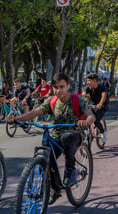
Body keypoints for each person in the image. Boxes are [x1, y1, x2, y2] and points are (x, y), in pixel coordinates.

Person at [6, 73, 95, 204]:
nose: (58, 90)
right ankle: (55, 189)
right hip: (57, 134)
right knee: (47, 151)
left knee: (67, 137)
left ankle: (70, 171)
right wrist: (17, 119)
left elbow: (91, 116)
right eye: (55, 87)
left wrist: (86, 122)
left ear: (68, 86)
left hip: (75, 132)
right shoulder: (52, 101)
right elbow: (35, 112)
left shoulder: (77, 99)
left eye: (62, 87)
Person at [82, 73, 108, 142]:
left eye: (89, 81)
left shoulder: (102, 87)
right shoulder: (87, 87)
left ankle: (103, 132)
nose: (87, 83)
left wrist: (100, 103)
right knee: (83, 118)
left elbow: (103, 96)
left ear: (94, 81)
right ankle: (88, 132)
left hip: (102, 106)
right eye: (87, 81)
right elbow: (82, 96)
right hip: (92, 105)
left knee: (96, 121)